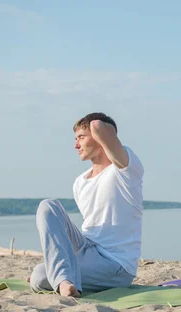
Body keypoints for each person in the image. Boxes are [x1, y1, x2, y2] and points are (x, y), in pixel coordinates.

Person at [28, 112, 144, 297]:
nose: (76, 145)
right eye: (75, 139)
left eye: (81, 137)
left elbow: (98, 125)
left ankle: (61, 279)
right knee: (48, 205)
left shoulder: (125, 169)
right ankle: (62, 277)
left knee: (40, 276)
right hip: (86, 247)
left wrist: (100, 130)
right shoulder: (80, 182)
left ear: (100, 138)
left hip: (115, 264)